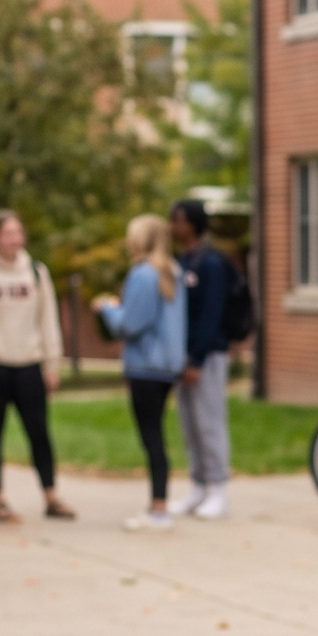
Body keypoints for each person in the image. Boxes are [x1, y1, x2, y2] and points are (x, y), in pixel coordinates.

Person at [0, 210, 74, 524]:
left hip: (30, 365)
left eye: (18, 232)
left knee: (39, 433)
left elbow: (48, 319)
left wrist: (52, 362)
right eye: (8, 234)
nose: (15, 240)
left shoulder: (36, 272)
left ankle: (50, 495)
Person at [95, 214, 189, 531]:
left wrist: (107, 308)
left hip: (145, 367)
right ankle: (159, 505)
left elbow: (130, 324)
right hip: (167, 367)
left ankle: (158, 510)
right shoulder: (173, 271)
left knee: (151, 438)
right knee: (156, 436)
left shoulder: (143, 274)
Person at [167, 199, 237, 520]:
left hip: (206, 356)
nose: (172, 226)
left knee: (209, 421)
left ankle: (218, 487)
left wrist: (196, 358)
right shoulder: (184, 260)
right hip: (184, 355)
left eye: (178, 220)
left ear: (193, 223)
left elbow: (212, 315)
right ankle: (198, 484)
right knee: (189, 422)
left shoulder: (211, 263)